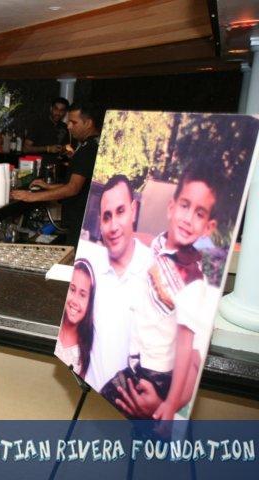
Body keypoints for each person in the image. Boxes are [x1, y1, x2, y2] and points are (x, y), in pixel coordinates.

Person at [101, 164, 216, 420]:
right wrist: (124, 235)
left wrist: (169, 405)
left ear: (207, 227)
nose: (188, 218)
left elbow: (187, 350)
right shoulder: (160, 243)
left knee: (117, 410)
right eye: (184, 206)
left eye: (199, 213)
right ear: (171, 208)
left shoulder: (193, 282)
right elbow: (148, 243)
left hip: (156, 375)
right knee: (105, 400)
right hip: (138, 360)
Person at [80, 175, 153, 392]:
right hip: (88, 392)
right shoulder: (90, 264)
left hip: (133, 404)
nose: (113, 226)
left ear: (134, 210)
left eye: (120, 211)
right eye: (106, 216)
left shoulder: (155, 272)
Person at [10, 102, 103, 246]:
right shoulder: (93, 144)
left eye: (73, 122)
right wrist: (49, 186)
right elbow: (81, 185)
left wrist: (31, 197)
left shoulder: (88, 149)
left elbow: (73, 188)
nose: (69, 126)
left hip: (81, 220)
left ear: (88, 123)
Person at [55, 259, 95, 378]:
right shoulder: (53, 324)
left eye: (82, 295)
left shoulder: (86, 351)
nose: (75, 301)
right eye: (72, 289)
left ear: (89, 303)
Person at [22, 97, 70, 162]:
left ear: (65, 112)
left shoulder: (64, 127)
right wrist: (47, 149)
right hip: (37, 165)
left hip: (56, 165)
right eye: (56, 109)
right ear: (51, 108)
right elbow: (26, 149)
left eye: (61, 110)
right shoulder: (38, 124)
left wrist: (66, 151)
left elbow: (66, 148)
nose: (58, 113)